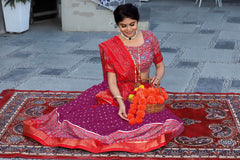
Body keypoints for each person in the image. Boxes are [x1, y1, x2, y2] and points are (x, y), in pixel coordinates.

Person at [23, 3, 184, 153]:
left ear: (137, 21)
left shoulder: (150, 38)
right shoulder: (112, 47)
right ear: (118, 25)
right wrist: (120, 102)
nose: (128, 29)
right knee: (105, 120)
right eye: (123, 26)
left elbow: (160, 65)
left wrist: (157, 77)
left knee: (163, 122)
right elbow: (112, 81)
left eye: (132, 24)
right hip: (119, 90)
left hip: (144, 91)